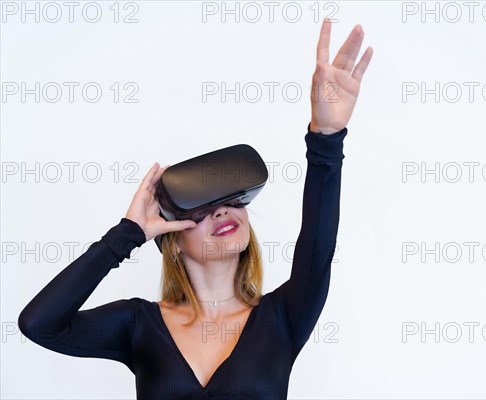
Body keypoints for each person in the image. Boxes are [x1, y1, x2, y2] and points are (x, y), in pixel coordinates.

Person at [18, 17, 373, 399]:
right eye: (201, 209)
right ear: (171, 240)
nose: (222, 211)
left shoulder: (284, 316)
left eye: (234, 201)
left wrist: (326, 137)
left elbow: (318, 248)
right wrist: (127, 234)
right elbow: (39, 325)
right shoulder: (138, 324)